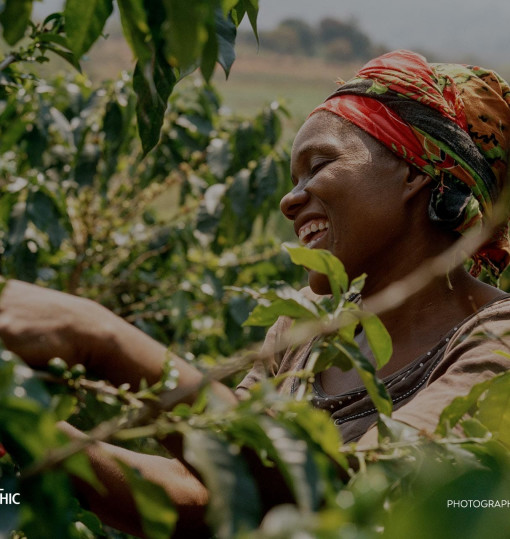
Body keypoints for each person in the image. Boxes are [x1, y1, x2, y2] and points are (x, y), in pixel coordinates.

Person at [1, 49, 510, 535]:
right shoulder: (303, 324)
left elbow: (361, 498)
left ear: (414, 171)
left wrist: (105, 340)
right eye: (293, 178)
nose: (290, 201)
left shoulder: (496, 341)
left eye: (319, 165)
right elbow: (205, 493)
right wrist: (23, 424)